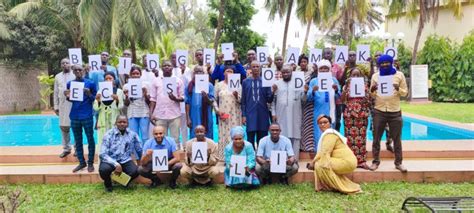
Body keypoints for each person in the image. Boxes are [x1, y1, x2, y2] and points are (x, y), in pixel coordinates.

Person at [369, 55, 408, 172]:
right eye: (382, 63)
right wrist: (372, 90)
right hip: (379, 110)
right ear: (379, 65)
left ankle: (399, 163)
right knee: (376, 138)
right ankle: (375, 161)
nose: (385, 65)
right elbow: (372, 95)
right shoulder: (375, 76)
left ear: (391, 63)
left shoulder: (399, 75)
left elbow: (405, 93)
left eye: (387, 63)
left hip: (394, 111)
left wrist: (398, 89)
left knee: (397, 139)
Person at [307, 115, 362, 194]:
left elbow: (325, 152)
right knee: (321, 163)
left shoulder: (330, 134)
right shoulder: (328, 134)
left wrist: (312, 163)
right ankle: (333, 185)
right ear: (318, 125)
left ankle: (338, 187)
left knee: (320, 164)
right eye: (320, 123)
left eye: (325, 122)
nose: (323, 124)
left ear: (330, 124)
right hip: (345, 161)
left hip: (346, 162)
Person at [65, 64, 97, 173]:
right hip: (74, 115)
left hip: (87, 115)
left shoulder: (90, 83)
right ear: (73, 71)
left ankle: (91, 162)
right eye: (76, 70)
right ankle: (81, 162)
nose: (78, 71)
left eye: (80, 70)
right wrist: (67, 97)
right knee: (77, 140)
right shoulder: (70, 84)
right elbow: (71, 99)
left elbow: (95, 99)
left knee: (90, 139)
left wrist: (89, 94)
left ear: (83, 71)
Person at [272, 65, 307, 160]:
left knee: (295, 135)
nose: (286, 74)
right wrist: (273, 113)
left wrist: (305, 92)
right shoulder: (277, 84)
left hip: (295, 113)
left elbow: (303, 100)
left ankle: (294, 160)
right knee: (282, 135)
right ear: (281, 73)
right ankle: (282, 159)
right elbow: (273, 101)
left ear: (292, 72)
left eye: (288, 72)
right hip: (281, 113)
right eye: (284, 72)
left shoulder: (298, 83)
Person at [99, 115, 142, 192]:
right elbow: (102, 154)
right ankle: (108, 184)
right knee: (103, 170)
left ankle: (120, 180)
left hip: (125, 160)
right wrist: (116, 164)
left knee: (136, 171)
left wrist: (141, 161)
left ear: (127, 123)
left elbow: (139, 149)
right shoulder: (108, 134)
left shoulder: (133, 134)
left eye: (124, 122)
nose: (122, 124)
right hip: (111, 160)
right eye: (120, 122)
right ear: (116, 123)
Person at [341, 68, 371, 169]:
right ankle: (350, 160)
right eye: (354, 75)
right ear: (350, 76)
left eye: (358, 75)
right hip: (349, 115)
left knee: (361, 139)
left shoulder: (365, 86)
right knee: (349, 139)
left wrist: (364, 99)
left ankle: (361, 161)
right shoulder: (346, 86)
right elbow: (342, 100)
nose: (356, 77)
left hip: (361, 114)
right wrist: (345, 89)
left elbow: (368, 100)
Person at [307, 60, 341, 151]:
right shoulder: (314, 81)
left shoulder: (334, 80)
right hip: (318, 112)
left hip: (331, 112)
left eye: (326, 68)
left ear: (329, 69)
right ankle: (319, 158)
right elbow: (308, 98)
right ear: (318, 70)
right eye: (322, 68)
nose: (324, 70)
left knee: (330, 135)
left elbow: (339, 96)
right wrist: (313, 91)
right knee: (319, 135)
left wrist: (337, 90)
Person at [149, 60, 185, 145]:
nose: (167, 67)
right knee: (160, 139)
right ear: (161, 68)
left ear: (172, 68)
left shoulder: (178, 81)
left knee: (175, 139)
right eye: (164, 65)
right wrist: (151, 114)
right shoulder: (156, 81)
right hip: (160, 114)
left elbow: (183, 97)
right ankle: (164, 157)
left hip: (174, 114)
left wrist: (175, 98)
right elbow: (153, 99)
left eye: (169, 65)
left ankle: (175, 157)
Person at [241, 60, 274, 149]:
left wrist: (273, 92)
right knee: (250, 138)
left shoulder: (266, 81)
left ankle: (261, 157)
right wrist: (244, 115)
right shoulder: (245, 82)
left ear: (260, 68)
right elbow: (243, 100)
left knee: (263, 137)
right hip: (250, 114)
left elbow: (269, 99)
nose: (255, 68)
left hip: (263, 113)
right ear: (250, 68)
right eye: (253, 66)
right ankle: (251, 158)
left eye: (257, 66)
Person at [214, 66, 242, 160]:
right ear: (224, 73)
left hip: (235, 114)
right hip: (223, 114)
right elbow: (214, 99)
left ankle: (236, 156)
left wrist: (236, 95)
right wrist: (217, 111)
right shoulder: (218, 85)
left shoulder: (238, 85)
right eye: (227, 71)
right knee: (224, 134)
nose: (229, 73)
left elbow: (242, 101)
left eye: (231, 71)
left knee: (235, 133)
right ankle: (224, 156)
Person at [94, 72, 124, 144]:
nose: (108, 80)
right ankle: (102, 154)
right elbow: (95, 108)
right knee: (102, 139)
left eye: (110, 78)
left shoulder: (119, 91)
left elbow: (120, 107)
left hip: (114, 117)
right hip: (103, 119)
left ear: (114, 80)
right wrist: (98, 100)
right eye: (106, 79)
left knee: (115, 139)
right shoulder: (100, 91)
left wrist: (117, 99)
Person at [185, 66, 215, 139]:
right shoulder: (189, 86)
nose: (198, 74)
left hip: (206, 115)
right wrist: (188, 118)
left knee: (207, 133)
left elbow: (212, 101)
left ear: (204, 74)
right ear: (193, 74)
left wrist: (206, 97)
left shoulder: (209, 85)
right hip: (194, 115)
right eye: (196, 72)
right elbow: (187, 102)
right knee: (194, 134)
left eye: (200, 72)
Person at [124, 67, 151, 145]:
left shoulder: (146, 85)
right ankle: (136, 155)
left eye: (137, 73)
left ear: (140, 74)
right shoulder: (126, 86)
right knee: (133, 135)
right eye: (133, 74)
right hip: (132, 113)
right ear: (130, 75)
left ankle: (145, 154)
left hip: (144, 112)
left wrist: (145, 94)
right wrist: (126, 96)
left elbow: (149, 102)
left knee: (145, 136)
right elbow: (126, 104)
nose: (135, 75)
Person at [54, 58, 75, 158]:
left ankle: (77, 149)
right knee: (63, 127)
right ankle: (66, 148)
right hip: (62, 105)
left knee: (75, 127)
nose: (65, 64)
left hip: (73, 105)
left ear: (70, 64)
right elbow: (56, 92)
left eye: (67, 63)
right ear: (61, 65)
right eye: (63, 63)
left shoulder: (75, 74)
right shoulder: (57, 76)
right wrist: (56, 106)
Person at [171, 53, 192, 149]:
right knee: (174, 127)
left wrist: (183, 72)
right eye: (173, 57)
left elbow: (189, 83)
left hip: (183, 101)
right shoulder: (167, 70)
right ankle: (176, 147)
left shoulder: (187, 69)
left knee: (184, 125)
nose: (175, 59)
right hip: (172, 104)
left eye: (176, 57)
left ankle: (185, 145)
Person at [323, 48, 345, 133]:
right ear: (323, 55)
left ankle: (336, 135)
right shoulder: (318, 66)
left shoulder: (337, 67)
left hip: (336, 98)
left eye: (329, 53)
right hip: (323, 98)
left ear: (332, 55)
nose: (327, 55)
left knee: (337, 120)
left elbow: (341, 80)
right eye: (326, 53)